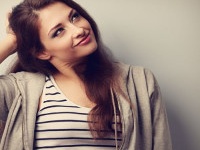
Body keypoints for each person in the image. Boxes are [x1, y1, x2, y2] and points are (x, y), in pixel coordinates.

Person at [0, 0, 172, 149]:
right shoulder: (20, 90)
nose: (78, 30)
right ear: (42, 52)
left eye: (74, 16)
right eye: (58, 31)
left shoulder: (140, 81)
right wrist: (13, 40)